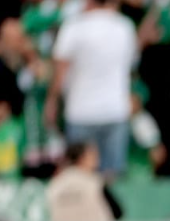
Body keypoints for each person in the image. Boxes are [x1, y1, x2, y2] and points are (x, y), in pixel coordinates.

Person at [45, 0, 137, 180]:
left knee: (79, 177)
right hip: (115, 110)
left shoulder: (74, 27)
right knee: (112, 180)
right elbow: (130, 65)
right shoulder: (124, 27)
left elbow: (60, 71)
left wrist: (52, 102)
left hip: (81, 112)